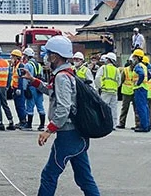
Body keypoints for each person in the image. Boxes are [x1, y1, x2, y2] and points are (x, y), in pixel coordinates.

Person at [21, 35, 100, 196]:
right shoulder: (66, 74)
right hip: (77, 134)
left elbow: (63, 108)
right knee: (84, 178)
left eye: (48, 54)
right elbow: (51, 90)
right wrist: (33, 80)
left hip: (68, 134)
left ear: (55, 56)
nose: (46, 57)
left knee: (49, 175)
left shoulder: (62, 77)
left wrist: (48, 130)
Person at [23, 47, 46, 130]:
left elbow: (25, 78)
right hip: (39, 87)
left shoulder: (27, 65)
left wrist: (25, 89)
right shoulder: (39, 65)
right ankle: (42, 125)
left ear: (26, 56)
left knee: (30, 106)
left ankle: (29, 125)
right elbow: (42, 77)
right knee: (40, 106)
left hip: (31, 87)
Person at [94, 52, 119, 127]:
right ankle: (113, 124)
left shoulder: (103, 68)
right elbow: (119, 81)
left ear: (108, 60)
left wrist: (99, 86)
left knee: (103, 108)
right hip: (114, 91)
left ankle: (102, 123)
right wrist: (115, 86)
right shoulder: (116, 70)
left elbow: (98, 78)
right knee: (113, 109)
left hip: (105, 91)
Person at [129, 49, 151, 132]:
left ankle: (143, 126)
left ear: (137, 57)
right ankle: (146, 125)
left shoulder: (138, 66)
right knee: (144, 107)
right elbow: (149, 75)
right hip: (144, 88)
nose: (133, 58)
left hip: (139, 89)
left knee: (141, 108)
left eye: (134, 57)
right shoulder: (144, 66)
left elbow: (141, 74)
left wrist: (138, 83)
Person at [117, 57, 138, 129]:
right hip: (126, 92)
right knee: (124, 108)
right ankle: (122, 123)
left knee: (136, 109)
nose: (133, 64)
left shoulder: (137, 70)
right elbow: (121, 80)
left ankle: (137, 124)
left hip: (135, 91)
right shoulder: (125, 70)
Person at [9, 49, 27, 131]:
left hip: (19, 89)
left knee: (20, 106)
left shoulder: (21, 66)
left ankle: (23, 121)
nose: (11, 58)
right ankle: (21, 121)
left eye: (13, 56)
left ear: (17, 57)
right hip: (15, 88)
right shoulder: (15, 66)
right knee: (17, 106)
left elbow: (21, 78)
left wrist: (19, 88)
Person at [143, 55, 151, 128]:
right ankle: (149, 124)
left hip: (146, 93)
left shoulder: (145, 72)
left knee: (146, 110)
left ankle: (147, 124)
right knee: (149, 111)